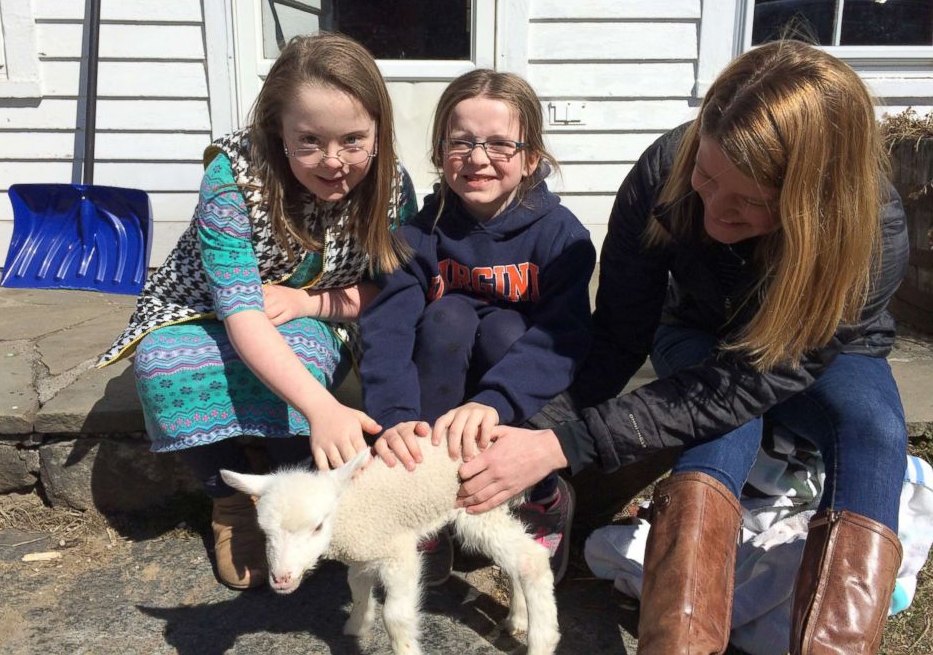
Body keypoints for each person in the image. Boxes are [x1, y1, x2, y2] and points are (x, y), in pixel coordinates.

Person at [453, 41, 909, 654]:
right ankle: (677, 643)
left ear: (813, 200)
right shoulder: (662, 170)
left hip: (822, 348)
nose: (715, 212)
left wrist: (563, 445)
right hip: (698, 330)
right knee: (723, 429)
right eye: (706, 180)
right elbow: (618, 337)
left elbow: (747, 384)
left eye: (749, 201)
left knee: (875, 429)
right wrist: (540, 434)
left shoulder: (870, 231)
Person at [98, 32, 417, 590]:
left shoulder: (390, 186)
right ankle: (229, 502)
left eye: (353, 140)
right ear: (278, 131)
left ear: (378, 133)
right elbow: (240, 310)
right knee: (163, 369)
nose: (334, 160)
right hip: (203, 307)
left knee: (303, 362)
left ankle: (296, 498)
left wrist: (307, 302)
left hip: (320, 314)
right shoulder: (233, 177)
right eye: (310, 141)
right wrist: (324, 409)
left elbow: (392, 289)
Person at [358, 69, 597, 584]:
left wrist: (495, 401)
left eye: (499, 144)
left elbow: (565, 337)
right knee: (448, 315)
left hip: (514, 399)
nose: (479, 158)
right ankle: (428, 501)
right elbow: (389, 326)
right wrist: (394, 417)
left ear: (532, 157)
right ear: (440, 151)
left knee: (507, 329)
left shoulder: (562, 238)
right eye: (461, 142)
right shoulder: (419, 235)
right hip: (438, 402)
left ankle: (539, 497)